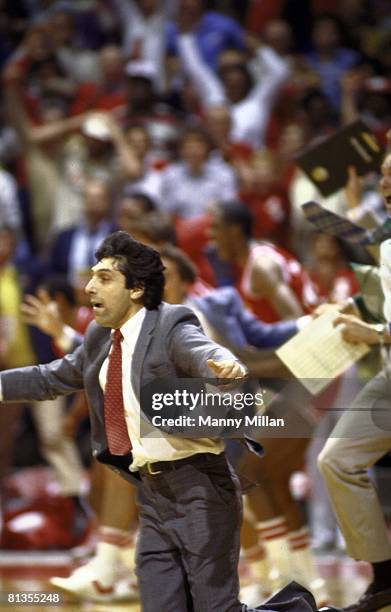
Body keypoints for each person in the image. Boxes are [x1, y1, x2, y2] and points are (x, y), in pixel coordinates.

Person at [0, 230, 329, 612]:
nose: (90, 286)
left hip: (200, 487)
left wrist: (221, 367)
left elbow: (201, 349)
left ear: (136, 289)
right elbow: (50, 377)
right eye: (92, 276)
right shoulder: (100, 335)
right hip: (153, 495)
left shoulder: (172, 323)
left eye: (104, 278)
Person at [318, 151, 391, 612]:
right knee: (336, 459)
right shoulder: (386, 243)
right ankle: (385, 577)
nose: (385, 183)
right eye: (382, 175)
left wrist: (376, 332)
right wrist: (353, 315)